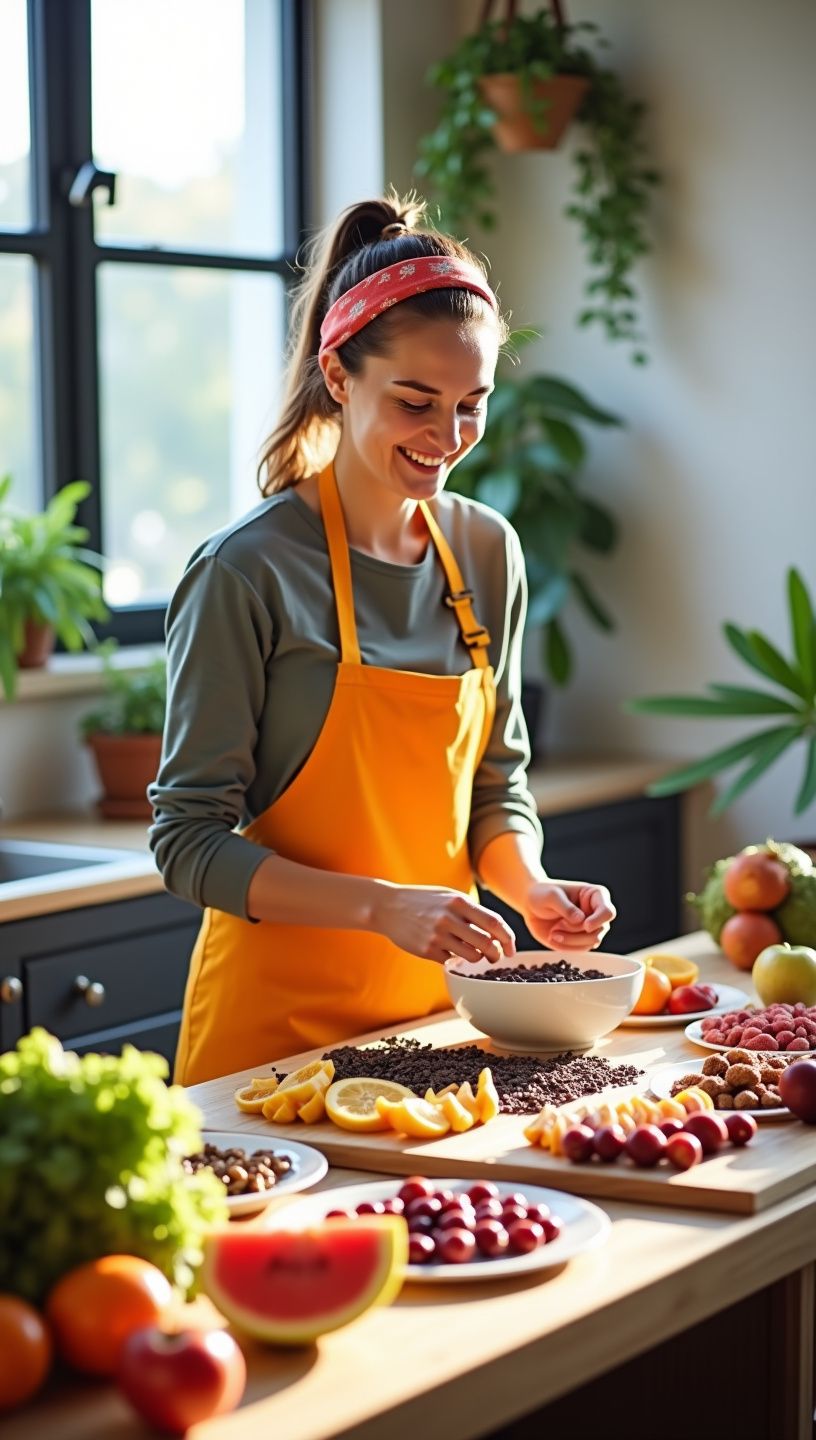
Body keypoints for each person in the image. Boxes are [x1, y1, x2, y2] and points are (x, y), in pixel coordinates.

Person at [149, 192, 616, 1086]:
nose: (448, 439)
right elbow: (187, 842)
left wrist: (531, 888)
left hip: (447, 1030)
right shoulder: (245, 572)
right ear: (339, 375)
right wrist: (381, 908)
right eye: (416, 401)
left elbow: (494, 785)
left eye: (472, 405)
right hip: (270, 1051)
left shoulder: (487, 550)